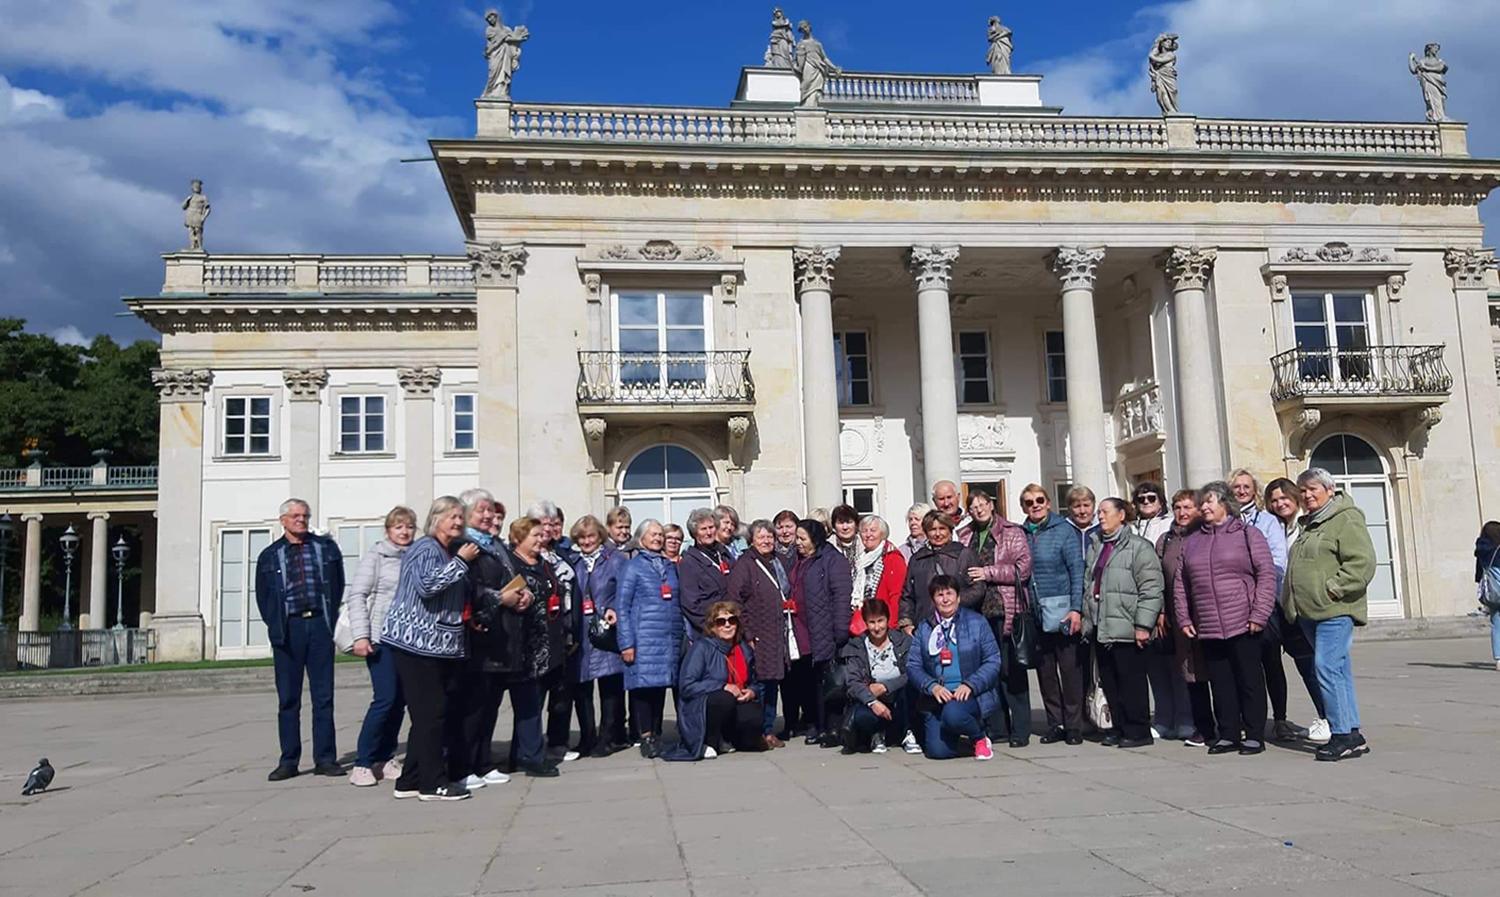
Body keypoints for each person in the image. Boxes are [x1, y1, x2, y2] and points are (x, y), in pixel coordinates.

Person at [381, 496, 478, 801]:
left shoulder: (446, 552)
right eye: (452, 517)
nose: (458, 523)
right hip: (415, 645)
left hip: (438, 647)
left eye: (461, 518)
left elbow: (459, 594)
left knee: (429, 714)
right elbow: (427, 586)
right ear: (436, 519)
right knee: (431, 715)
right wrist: (462, 562)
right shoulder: (425, 548)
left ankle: (409, 780)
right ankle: (432, 783)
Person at [1174, 482, 1276, 756]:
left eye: (1209, 502)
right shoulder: (1193, 540)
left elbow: (1266, 575)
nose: (1204, 507)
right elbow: (1181, 584)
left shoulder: (1247, 534)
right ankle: (1228, 733)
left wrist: (1259, 613)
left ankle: (1254, 734)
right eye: (1202, 502)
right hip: (1208, 624)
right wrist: (1184, 617)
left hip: (1243, 621)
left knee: (1249, 680)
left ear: (1225, 504)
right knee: (1221, 683)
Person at [1284, 467, 1377, 761]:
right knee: (1337, 670)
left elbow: (1362, 562)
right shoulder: (1310, 524)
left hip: (1334, 610)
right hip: (1310, 612)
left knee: (1325, 667)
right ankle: (1352, 733)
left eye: (1313, 489)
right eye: (1303, 491)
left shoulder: (1345, 518)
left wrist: (1334, 589)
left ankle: (1341, 734)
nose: (1308, 495)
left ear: (1330, 489)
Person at [460, 498, 549, 786]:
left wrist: (524, 595)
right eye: (482, 512)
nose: (489, 518)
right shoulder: (464, 545)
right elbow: (469, 587)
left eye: (493, 513)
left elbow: (510, 579)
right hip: (479, 635)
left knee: (489, 707)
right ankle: (465, 765)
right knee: (473, 707)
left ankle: (483, 762)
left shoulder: (493, 545)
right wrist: (501, 598)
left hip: (503, 636)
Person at [256, 498, 346, 782]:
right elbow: (263, 596)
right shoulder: (270, 555)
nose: (301, 520)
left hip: (319, 624)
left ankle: (325, 758)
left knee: (323, 697)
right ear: (282, 520)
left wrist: (329, 619)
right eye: (295, 516)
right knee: (288, 699)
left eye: (304, 516)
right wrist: (275, 624)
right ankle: (289, 760)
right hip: (289, 628)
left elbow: (338, 583)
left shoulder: (325, 549)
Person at [1083, 498, 1165, 748]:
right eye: (1099, 512)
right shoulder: (1097, 545)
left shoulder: (1139, 547)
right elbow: (1090, 583)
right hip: (1102, 624)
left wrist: (1143, 625)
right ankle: (1118, 727)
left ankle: (1138, 730)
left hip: (1127, 626)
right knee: (1110, 680)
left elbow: (1151, 588)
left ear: (1121, 515)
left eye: (1105, 512)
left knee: (1132, 682)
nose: (1100, 516)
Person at [345, 506, 415, 787]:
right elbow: (357, 595)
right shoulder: (377, 556)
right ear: (388, 530)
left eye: (409, 526)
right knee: (384, 699)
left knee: (400, 702)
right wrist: (361, 636)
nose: (404, 532)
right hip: (380, 638)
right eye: (398, 527)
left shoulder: (415, 555)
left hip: (408, 639)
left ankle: (385, 757)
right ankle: (363, 761)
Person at [960, 489, 1033, 747]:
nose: (978, 509)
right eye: (973, 506)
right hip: (976, 613)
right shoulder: (965, 534)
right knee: (987, 672)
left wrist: (987, 572)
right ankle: (997, 727)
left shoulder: (1012, 532)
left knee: (1011, 670)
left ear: (992, 505)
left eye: (982, 504)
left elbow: (1023, 569)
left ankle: (1021, 729)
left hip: (1004, 608)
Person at [491, 515, 559, 778]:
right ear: (519, 538)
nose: (542, 539)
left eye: (542, 535)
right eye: (535, 536)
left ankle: (522, 754)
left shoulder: (542, 563)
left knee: (532, 703)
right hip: (519, 643)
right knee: (526, 702)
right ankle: (529, 757)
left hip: (543, 643)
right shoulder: (511, 564)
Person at [906, 575, 1002, 760]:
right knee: (937, 752)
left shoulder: (977, 622)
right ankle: (960, 738)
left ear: (958, 597)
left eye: (950, 593)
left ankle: (979, 737)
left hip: (969, 694)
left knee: (953, 715)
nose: (945, 599)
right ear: (933, 599)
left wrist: (970, 684)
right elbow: (913, 665)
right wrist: (931, 686)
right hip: (937, 698)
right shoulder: (925, 628)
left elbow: (993, 660)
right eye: (940, 595)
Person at [1018, 484, 1086, 745]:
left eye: (1038, 500)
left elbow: (1076, 571)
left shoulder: (1063, 531)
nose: (1034, 505)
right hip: (1035, 612)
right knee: (1045, 672)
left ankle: (1074, 726)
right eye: (1028, 502)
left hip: (1062, 610)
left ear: (1048, 503)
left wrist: (1076, 609)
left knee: (1069, 670)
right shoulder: (1022, 533)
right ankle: (1054, 723)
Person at [662, 601, 766, 760]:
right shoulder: (701, 648)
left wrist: (752, 691)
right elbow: (687, 686)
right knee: (723, 699)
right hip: (702, 706)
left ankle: (730, 739)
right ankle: (709, 741)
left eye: (732, 621)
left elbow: (755, 682)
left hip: (737, 702)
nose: (727, 625)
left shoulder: (743, 649)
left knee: (754, 716)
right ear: (713, 627)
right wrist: (722, 686)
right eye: (720, 622)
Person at [728, 520, 799, 748]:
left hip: (777, 631)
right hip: (758, 633)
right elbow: (734, 599)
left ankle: (767, 728)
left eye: (770, 537)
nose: (767, 541)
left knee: (772, 683)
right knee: (761, 683)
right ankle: (760, 730)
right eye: (761, 537)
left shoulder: (775, 562)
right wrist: (747, 633)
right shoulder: (745, 564)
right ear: (752, 540)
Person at [617, 520, 682, 759]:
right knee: (643, 689)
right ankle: (645, 736)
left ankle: (657, 733)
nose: (657, 538)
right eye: (652, 534)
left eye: (660, 534)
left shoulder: (668, 565)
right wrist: (626, 643)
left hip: (667, 638)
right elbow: (622, 607)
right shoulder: (632, 567)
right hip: (643, 638)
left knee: (659, 688)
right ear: (641, 537)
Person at [1155, 490, 1215, 746]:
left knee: (1217, 670)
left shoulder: (1207, 536)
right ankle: (1200, 725)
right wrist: (1160, 611)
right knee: (1191, 672)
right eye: (1177, 507)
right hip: (1176, 616)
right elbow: (1157, 578)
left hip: (1207, 613)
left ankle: (1230, 723)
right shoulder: (1165, 540)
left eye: (1187, 507)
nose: (1182, 512)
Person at [789, 519, 854, 746]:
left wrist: (840, 630)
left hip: (826, 629)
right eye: (797, 538)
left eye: (802, 538)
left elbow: (841, 596)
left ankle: (833, 728)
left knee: (831, 681)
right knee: (812, 680)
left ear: (815, 539)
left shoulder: (833, 560)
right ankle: (817, 724)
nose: (797, 543)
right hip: (804, 628)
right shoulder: (800, 560)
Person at [572, 515, 630, 756]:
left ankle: (608, 737)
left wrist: (614, 608)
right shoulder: (574, 561)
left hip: (606, 630)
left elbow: (625, 589)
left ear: (600, 536)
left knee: (610, 687)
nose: (586, 541)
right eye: (582, 537)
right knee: (582, 688)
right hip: (581, 630)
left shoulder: (615, 559)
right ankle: (587, 737)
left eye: (591, 536)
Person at [530, 502, 582, 764]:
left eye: (552, 524)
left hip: (565, 634)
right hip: (538, 637)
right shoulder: (527, 555)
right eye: (543, 524)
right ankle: (528, 749)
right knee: (534, 698)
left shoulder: (562, 552)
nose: (548, 528)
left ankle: (558, 743)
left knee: (562, 696)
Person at [839, 598, 915, 754]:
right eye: (872, 622)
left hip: (899, 698)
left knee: (910, 692)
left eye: (880, 621)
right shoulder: (856, 646)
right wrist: (872, 701)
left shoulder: (903, 641)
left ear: (887, 620)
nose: (877, 627)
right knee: (862, 716)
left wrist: (885, 687)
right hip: (873, 700)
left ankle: (907, 733)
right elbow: (853, 682)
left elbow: (913, 672)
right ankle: (877, 734)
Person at [898, 510, 985, 630]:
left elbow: (978, 589)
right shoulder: (917, 559)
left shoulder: (964, 554)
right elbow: (907, 594)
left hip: (960, 624)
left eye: (942, 528)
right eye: (933, 529)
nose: (937, 534)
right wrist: (906, 622)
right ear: (926, 532)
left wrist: (951, 602)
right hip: (925, 625)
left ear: (950, 530)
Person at [850, 515, 907, 638]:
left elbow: (897, 595)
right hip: (863, 623)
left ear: (882, 533)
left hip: (882, 624)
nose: (868, 534)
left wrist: (891, 625)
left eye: (873, 530)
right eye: (864, 531)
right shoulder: (860, 559)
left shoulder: (892, 557)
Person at [680, 508, 733, 637]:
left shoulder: (725, 554)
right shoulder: (689, 562)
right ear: (695, 533)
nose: (709, 532)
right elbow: (691, 605)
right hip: (710, 631)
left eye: (711, 527)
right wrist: (714, 627)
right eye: (703, 529)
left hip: (732, 625)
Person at [1476, 521, 1500, 670]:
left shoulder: (1481, 550)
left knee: (1496, 624)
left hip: (1492, 593)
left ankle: (1499, 658)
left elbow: (1479, 574)